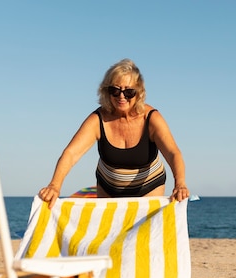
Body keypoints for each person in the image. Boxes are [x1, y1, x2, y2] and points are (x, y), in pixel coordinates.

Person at [38, 58, 189, 208]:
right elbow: (71, 154)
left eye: (129, 92)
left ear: (139, 93)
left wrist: (180, 183)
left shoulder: (151, 118)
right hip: (108, 189)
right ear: (106, 91)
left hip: (149, 188)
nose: (121, 96)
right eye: (115, 91)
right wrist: (54, 186)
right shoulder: (98, 120)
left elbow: (173, 153)